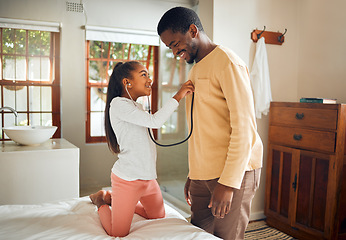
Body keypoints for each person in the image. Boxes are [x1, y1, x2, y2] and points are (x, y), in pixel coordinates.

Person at [157, 7, 263, 240]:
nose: (175, 52)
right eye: (170, 48)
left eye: (176, 44)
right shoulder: (196, 69)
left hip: (235, 173)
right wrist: (194, 173)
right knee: (198, 236)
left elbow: (244, 129)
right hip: (202, 176)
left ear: (193, 30)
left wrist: (228, 183)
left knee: (227, 237)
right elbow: (202, 128)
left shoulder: (228, 63)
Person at [89, 61, 194, 237]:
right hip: (128, 180)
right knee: (118, 233)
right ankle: (101, 201)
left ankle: (112, 198)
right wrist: (179, 95)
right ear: (127, 82)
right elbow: (155, 122)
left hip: (148, 179)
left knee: (157, 216)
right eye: (144, 74)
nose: (150, 79)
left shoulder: (136, 107)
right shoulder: (118, 104)